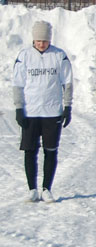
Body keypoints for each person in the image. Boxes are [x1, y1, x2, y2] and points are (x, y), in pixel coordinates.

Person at [12, 21, 73, 203]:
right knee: (30, 151)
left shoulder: (59, 56)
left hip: (52, 111)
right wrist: (18, 108)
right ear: (33, 39)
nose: (41, 44)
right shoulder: (24, 56)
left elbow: (67, 83)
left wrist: (67, 106)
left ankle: (47, 188)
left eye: (45, 41)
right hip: (31, 112)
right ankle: (32, 188)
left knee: (50, 150)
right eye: (38, 40)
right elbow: (17, 84)